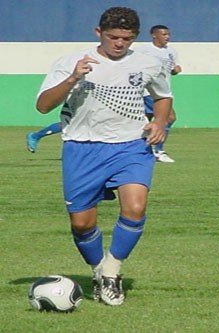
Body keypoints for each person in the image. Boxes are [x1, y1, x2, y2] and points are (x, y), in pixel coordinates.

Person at [35, 7, 173, 305]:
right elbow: (44, 106)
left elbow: (163, 97)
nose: (120, 43)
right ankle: (98, 271)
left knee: (135, 208)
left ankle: (112, 272)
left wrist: (159, 122)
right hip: (82, 148)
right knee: (82, 224)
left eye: (127, 38)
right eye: (113, 37)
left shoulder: (149, 62)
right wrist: (73, 78)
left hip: (131, 145)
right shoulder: (71, 62)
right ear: (99, 33)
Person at [134, 24, 182, 163]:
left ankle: (141, 150)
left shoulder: (171, 51)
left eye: (168, 34)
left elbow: (175, 67)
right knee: (169, 118)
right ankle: (158, 151)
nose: (167, 37)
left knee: (144, 122)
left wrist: (176, 69)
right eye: (164, 34)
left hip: (164, 91)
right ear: (154, 35)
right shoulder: (143, 50)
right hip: (148, 91)